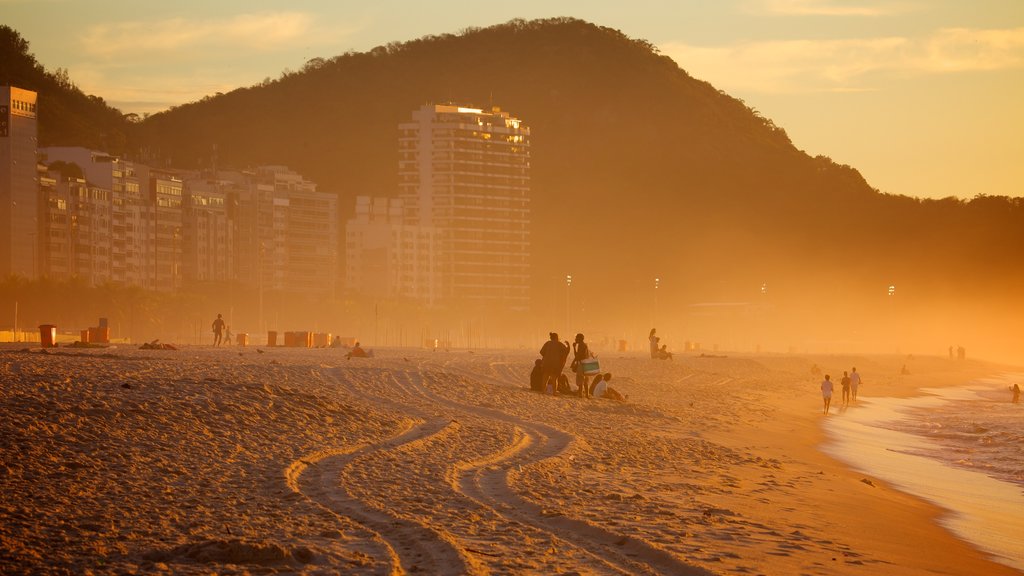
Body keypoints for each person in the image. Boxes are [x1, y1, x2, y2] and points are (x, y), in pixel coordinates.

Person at [571, 333, 591, 398]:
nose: (575, 339)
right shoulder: (585, 345)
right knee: (585, 380)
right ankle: (587, 395)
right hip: (586, 364)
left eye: (576, 338)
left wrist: (573, 362)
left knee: (580, 380)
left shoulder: (581, 345)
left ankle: (580, 394)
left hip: (582, 364)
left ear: (579, 339)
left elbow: (577, 356)